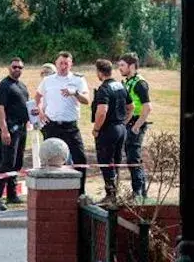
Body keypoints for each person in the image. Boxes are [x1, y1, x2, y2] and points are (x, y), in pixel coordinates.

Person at [36, 51, 90, 189]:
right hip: (52, 125)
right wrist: (41, 112)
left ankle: (80, 192)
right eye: (61, 63)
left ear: (71, 64)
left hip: (70, 126)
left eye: (66, 63)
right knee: (49, 159)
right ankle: (50, 189)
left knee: (80, 159)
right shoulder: (48, 80)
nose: (63, 66)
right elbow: (38, 96)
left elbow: (87, 100)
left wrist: (75, 93)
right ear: (56, 63)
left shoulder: (78, 80)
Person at [0, 58, 30, 210]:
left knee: (17, 163)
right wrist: (4, 130)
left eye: (20, 67)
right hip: (10, 128)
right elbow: (0, 109)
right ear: (9, 68)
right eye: (14, 67)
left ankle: (12, 194)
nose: (17, 69)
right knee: (7, 162)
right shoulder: (3, 86)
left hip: (22, 129)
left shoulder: (22, 86)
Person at [91, 59, 128, 204]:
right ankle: (115, 192)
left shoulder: (104, 89)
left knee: (105, 161)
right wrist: (123, 122)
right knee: (116, 160)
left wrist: (96, 129)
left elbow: (101, 112)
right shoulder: (120, 85)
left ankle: (110, 194)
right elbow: (130, 107)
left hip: (108, 130)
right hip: (121, 128)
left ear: (100, 72)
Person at [118, 52, 153, 199]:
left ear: (131, 66)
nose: (119, 68)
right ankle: (139, 192)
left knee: (134, 158)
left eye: (122, 65)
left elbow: (148, 107)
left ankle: (138, 192)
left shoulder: (140, 83)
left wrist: (136, 126)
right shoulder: (127, 81)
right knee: (131, 158)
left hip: (136, 123)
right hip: (129, 122)